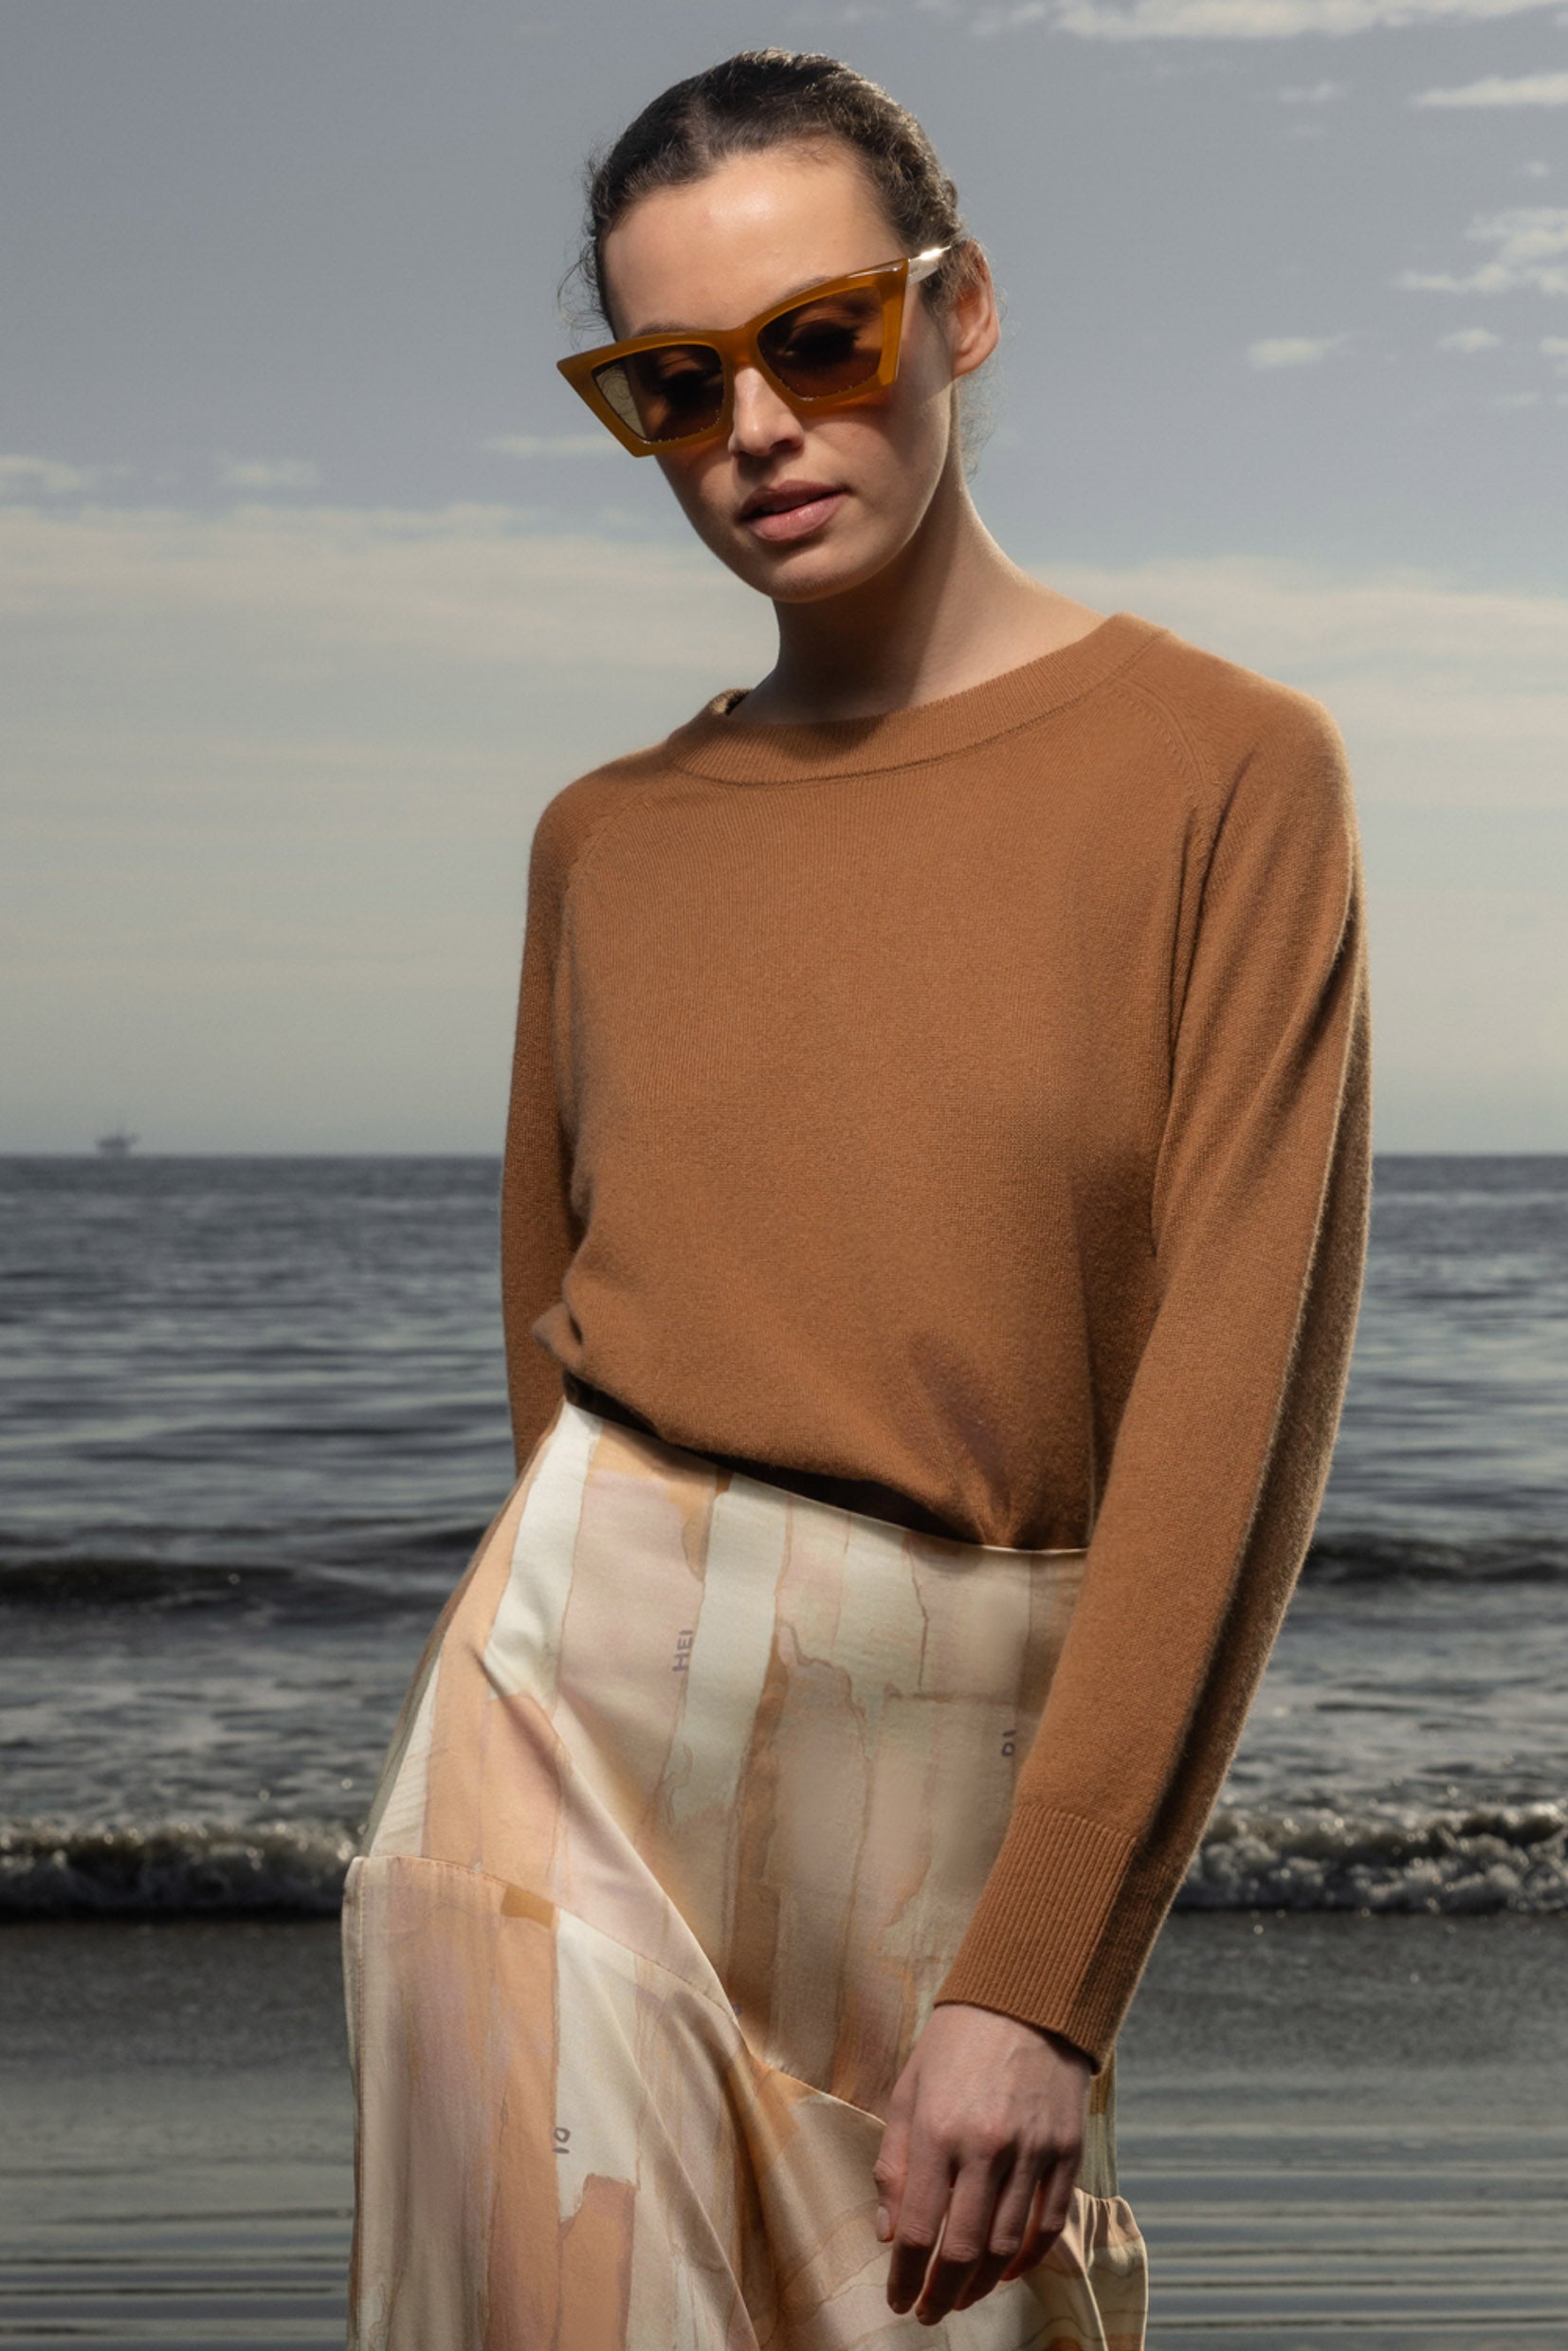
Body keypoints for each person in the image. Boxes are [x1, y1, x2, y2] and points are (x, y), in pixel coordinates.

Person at [339, 46, 1372, 2349]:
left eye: (818, 339)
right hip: (550, 1741)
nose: (754, 431)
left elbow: (1233, 1409)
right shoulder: (605, 844)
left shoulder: (1226, 776)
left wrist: (1045, 1972)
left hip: (958, 1772)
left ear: (958, 307)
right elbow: (554, 1359)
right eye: (671, 383)